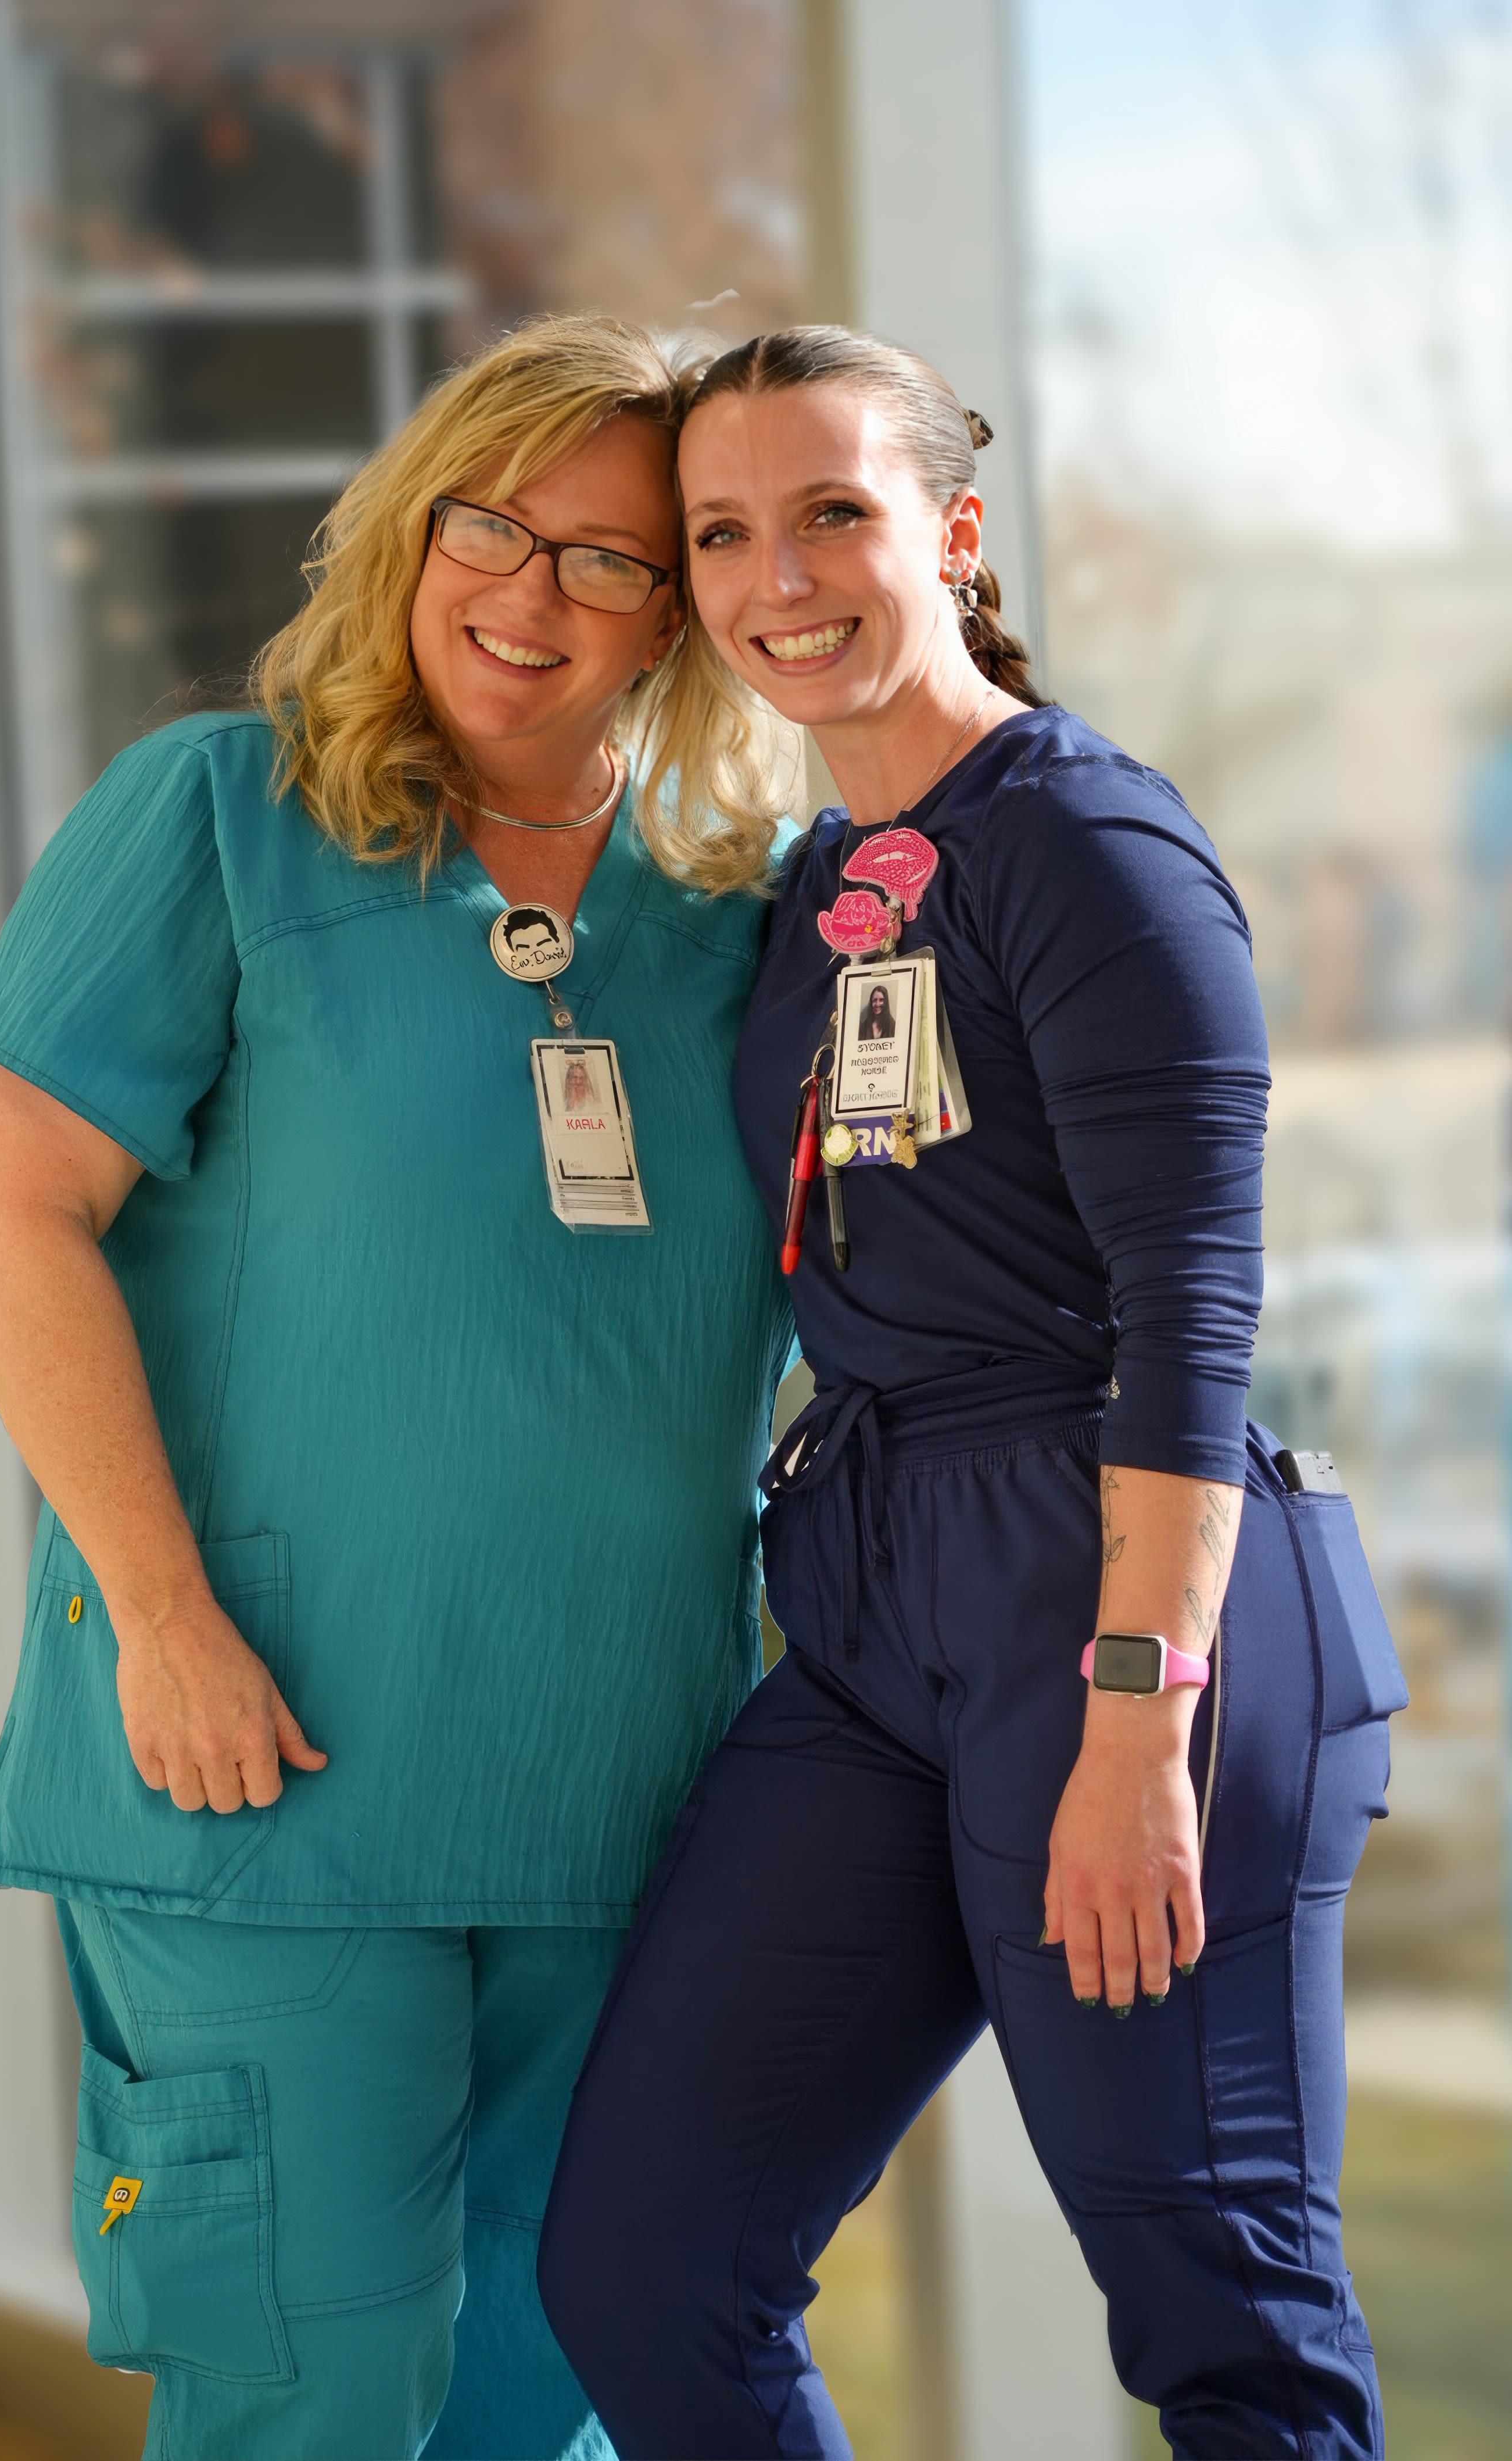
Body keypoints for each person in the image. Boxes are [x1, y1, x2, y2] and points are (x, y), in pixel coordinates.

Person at [538, 326, 1407, 2459]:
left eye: (830, 510)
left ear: (950, 527)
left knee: (1211, 2276)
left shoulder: (1090, 841)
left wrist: (1140, 1706)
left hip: (1118, 1592)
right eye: (720, 532)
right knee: (645, 2257)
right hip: (865, 1603)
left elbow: (1193, 1304)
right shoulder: (819, 889)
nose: (776, 575)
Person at [0, 313, 794, 2461]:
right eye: (487, 524)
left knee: (547, 2392)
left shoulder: (738, 924)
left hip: (621, 1791)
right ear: (407, 531)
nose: (529, 593)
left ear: (685, 606)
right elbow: (10, 1206)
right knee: (305, 2398)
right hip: (257, 1767)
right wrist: (156, 1613)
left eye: (611, 559)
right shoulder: (217, 817)